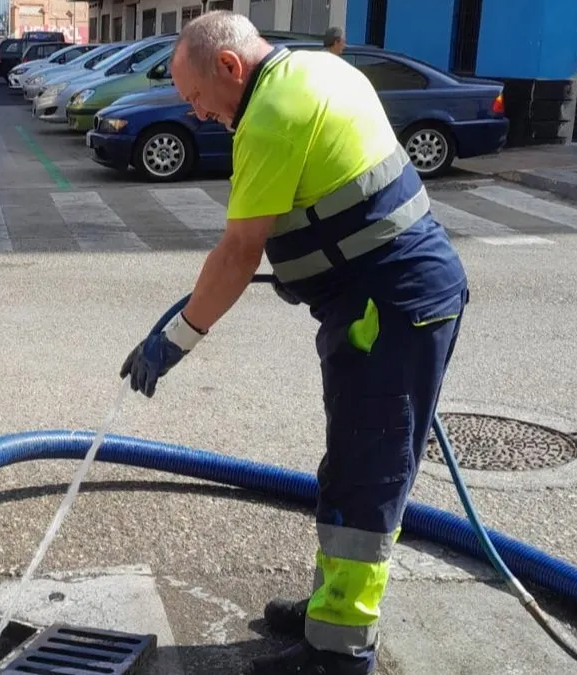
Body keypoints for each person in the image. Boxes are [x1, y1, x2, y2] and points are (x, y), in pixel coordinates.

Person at [118, 11, 468, 675]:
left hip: (390, 307)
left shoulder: (272, 111)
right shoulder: (316, 68)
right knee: (350, 468)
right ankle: (329, 611)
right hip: (391, 298)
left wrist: (178, 337)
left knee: (366, 481)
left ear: (229, 67)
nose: (196, 115)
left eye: (196, 98)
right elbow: (330, 202)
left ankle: (339, 654)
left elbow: (240, 249)